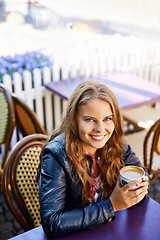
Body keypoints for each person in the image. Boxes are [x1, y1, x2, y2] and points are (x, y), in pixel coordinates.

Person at [39, 80, 149, 239]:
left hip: (109, 230)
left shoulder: (114, 143)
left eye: (107, 119)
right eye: (89, 119)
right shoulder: (56, 156)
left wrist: (138, 190)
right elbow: (52, 222)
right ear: (74, 119)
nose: (100, 129)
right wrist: (111, 205)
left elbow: (140, 172)